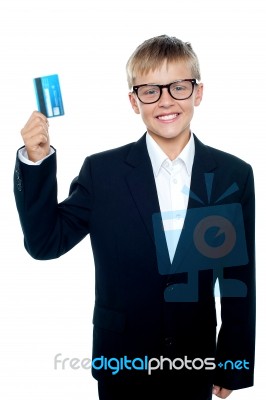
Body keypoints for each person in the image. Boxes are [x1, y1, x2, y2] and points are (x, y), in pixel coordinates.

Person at [14, 35, 255, 400]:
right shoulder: (102, 172)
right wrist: (36, 163)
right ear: (133, 101)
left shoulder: (232, 174)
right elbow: (46, 243)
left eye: (178, 86)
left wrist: (234, 360)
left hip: (195, 363)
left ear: (198, 93)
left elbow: (239, 278)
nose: (166, 101)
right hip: (121, 362)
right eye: (150, 91)